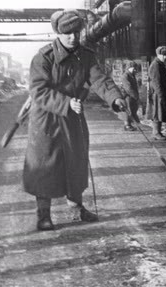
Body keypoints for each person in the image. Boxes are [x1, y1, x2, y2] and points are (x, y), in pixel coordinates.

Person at [23, 10, 127, 231]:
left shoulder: (85, 55)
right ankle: (43, 215)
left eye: (76, 32)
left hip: (72, 118)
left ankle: (76, 209)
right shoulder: (44, 57)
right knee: (45, 165)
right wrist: (65, 103)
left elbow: (99, 79)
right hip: (46, 120)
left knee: (76, 161)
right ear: (58, 33)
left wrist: (115, 98)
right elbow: (38, 91)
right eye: (67, 33)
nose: (73, 37)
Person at [146, 46, 166, 140]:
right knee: (157, 112)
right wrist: (161, 94)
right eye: (163, 55)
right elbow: (156, 82)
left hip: (159, 93)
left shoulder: (160, 64)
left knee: (159, 112)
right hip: (157, 93)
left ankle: (158, 132)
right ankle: (156, 132)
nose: (165, 57)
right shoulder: (155, 65)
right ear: (158, 55)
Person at [120, 60, 141, 131]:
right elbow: (128, 88)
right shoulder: (125, 76)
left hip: (131, 96)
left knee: (132, 109)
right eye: (134, 68)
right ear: (129, 67)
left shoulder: (132, 75)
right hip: (126, 96)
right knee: (128, 110)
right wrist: (136, 96)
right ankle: (127, 125)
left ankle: (130, 124)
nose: (135, 69)